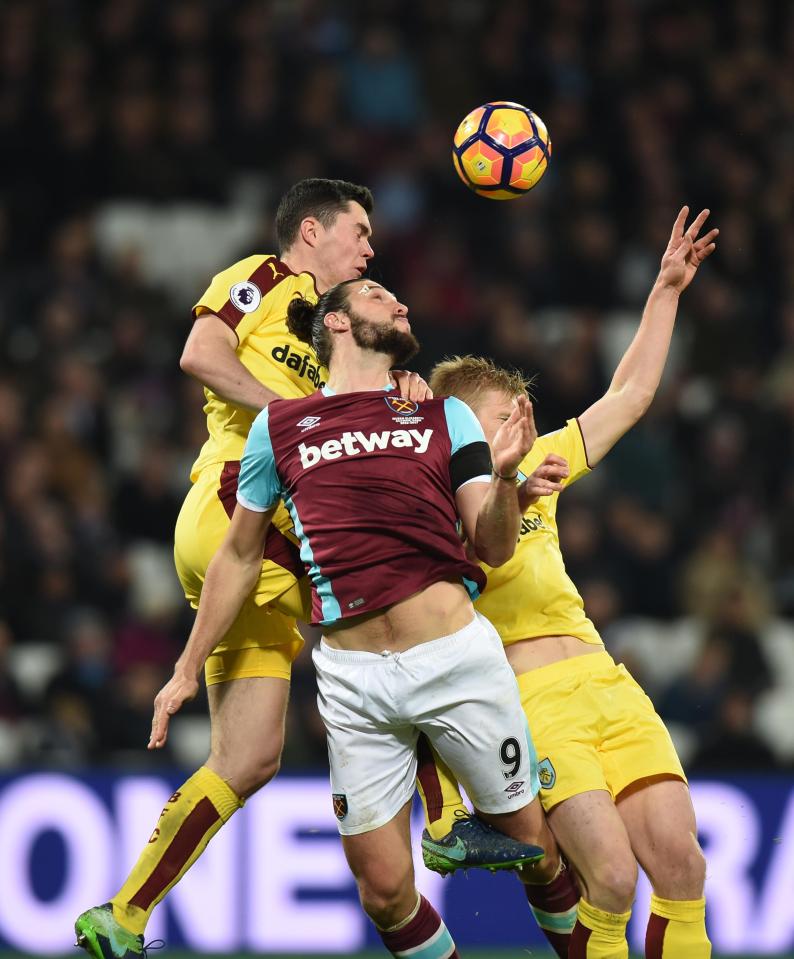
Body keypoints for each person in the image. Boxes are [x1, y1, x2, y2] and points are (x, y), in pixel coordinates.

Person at [144, 277, 566, 958]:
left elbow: (489, 544)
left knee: (535, 845)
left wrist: (508, 478)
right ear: (336, 322)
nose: (401, 301)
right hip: (352, 680)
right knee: (384, 890)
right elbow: (238, 555)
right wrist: (186, 667)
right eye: (378, 293)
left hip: (454, 657)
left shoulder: (442, 417)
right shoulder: (278, 426)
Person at [421, 206, 718, 958]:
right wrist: (513, 483)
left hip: (604, 678)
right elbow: (478, 553)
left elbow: (631, 396)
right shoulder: (429, 498)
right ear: (456, 428)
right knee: (612, 879)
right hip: (533, 703)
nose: (522, 422)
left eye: (522, 412)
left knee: (683, 866)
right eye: (503, 416)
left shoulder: (545, 462)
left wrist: (666, 290)